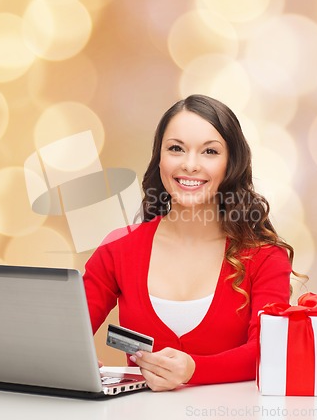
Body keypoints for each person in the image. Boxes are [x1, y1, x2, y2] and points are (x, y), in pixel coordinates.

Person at [83, 94, 298, 391]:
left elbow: (270, 352)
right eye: (176, 149)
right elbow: (65, 336)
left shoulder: (265, 257)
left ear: (230, 164)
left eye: (209, 151)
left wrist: (193, 369)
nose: (190, 165)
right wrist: (68, 361)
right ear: (160, 158)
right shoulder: (118, 249)